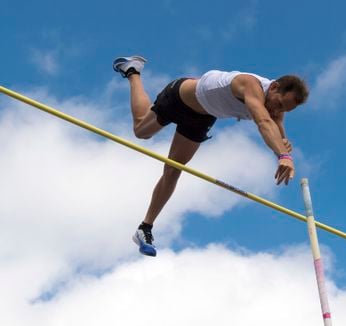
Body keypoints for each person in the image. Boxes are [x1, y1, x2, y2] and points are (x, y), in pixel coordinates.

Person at [113, 55, 309, 257]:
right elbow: (264, 123)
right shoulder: (251, 85)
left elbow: (276, 126)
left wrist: (284, 143)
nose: (278, 110)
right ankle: (132, 72)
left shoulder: (276, 107)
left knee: (173, 169)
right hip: (180, 98)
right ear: (275, 87)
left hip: (202, 117)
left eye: (284, 109)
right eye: (279, 104)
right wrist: (284, 156)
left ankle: (145, 228)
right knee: (141, 131)